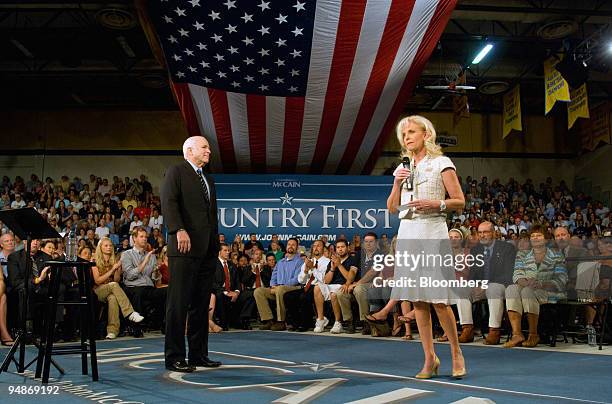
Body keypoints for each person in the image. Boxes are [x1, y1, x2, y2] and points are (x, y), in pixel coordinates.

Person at [386, 115, 466, 379]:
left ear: (426, 134)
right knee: (418, 300)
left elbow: (459, 201)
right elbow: (391, 207)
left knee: (439, 300)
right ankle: (429, 358)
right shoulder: (403, 166)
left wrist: (437, 204)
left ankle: (456, 353)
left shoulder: (442, 162)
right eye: (404, 134)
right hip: (408, 232)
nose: (407, 137)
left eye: (411, 132)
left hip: (433, 230)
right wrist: (396, 182)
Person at [161, 135, 221, 373]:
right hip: (184, 246)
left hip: (207, 250)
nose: (209, 151)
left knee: (200, 303)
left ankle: (198, 354)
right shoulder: (176, 171)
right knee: (178, 303)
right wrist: (178, 229)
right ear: (189, 150)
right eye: (204, 147)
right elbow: (169, 202)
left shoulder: (208, 179)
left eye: (208, 147)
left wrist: (214, 245)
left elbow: (210, 216)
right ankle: (174, 356)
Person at [504, 225, 567, 348]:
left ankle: (533, 334)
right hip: (528, 288)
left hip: (549, 291)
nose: (535, 238)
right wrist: (527, 283)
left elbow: (561, 279)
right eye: (533, 236)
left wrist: (542, 284)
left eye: (539, 235)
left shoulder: (557, 255)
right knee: (511, 288)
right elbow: (517, 275)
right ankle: (517, 334)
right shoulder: (522, 255)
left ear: (546, 239)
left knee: (527, 292)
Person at [92, 237, 144, 340]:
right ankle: (130, 313)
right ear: (100, 247)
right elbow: (97, 280)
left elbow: (116, 280)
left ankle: (112, 331)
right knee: (114, 286)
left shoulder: (114, 260)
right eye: (106, 245)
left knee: (113, 298)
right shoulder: (94, 261)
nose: (109, 247)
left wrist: (117, 269)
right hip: (98, 291)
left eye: (110, 245)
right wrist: (112, 269)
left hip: (111, 290)